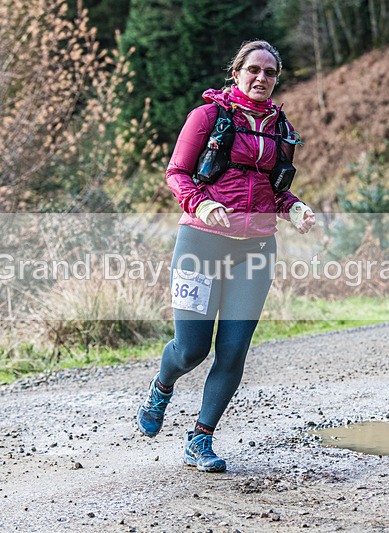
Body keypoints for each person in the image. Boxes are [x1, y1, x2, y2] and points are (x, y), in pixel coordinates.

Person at [135, 40, 316, 473]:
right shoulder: (207, 116)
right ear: (236, 72)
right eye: (253, 69)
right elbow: (177, 173)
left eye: (270, 72)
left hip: (255, 248)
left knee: (233, 352)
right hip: (201, 241)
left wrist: (294, 207)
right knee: (191, 349)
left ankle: (201, 439)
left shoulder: (279, 128)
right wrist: (200, 204)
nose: (262, 78)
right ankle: (162, 386)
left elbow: (276, 187)